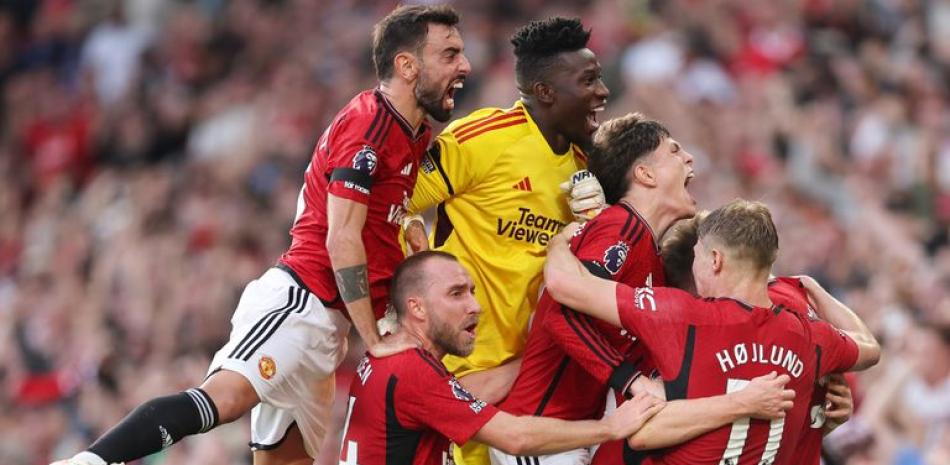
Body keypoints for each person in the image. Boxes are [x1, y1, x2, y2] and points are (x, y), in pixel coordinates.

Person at [51, 5, 471, 465]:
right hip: (300, 302)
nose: (463, 66)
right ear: (407, 65)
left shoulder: (412, 132)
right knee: (224, 399)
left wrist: (408, 233)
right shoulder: (369, 124)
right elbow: (341, 238)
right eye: (449, 54)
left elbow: (378, 218)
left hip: (328, 327)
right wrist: (374, 339)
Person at [496, 113, 792, 465]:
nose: (689, 158)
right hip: (541, 430)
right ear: (645, 174)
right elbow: (562, 316)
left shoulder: (650, 254)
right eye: (674, 151)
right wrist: (632, 380)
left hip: (575, 431)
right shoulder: (620, 227)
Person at [403, 17, 609, 465]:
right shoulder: (483, 140)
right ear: (546, 92)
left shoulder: (583, 171)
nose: (603, 92)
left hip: (534, 381)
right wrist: (410, 255)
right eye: (589, 80)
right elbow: (396, 200)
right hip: (464, 369)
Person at [543, 199, 881, 465]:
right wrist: (817, 290)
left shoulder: (682, 316)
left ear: (715, 260)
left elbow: (565, 285)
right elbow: (868, 348)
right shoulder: (811, 333)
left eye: (698, 256)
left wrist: (560, 240)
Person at [339, 250, 666, 465]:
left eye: (471, 291)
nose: (474, 306)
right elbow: (516, 437)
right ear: (417, 307)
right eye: (456, 293)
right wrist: (610, 427)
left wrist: (541, 356)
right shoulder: (413, 370)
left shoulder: (390, 356)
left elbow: (463, 394)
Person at [659, 212, 862, 465]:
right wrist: (741, 403)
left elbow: (868, 350)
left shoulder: (785, 317)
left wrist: (818, 419)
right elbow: (642, 435)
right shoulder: (671, 346)